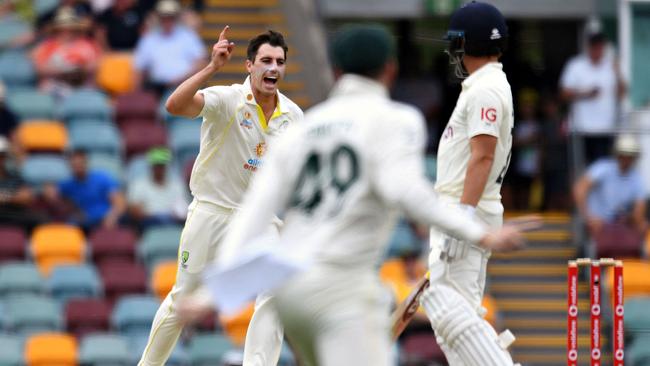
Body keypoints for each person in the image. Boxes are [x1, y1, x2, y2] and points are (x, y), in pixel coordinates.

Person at [182, 24, 536, 366]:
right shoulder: (396, 119)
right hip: (343, 289)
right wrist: (480, 233)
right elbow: (409, 193)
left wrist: (211, 293)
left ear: (336, 71)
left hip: (291, 292)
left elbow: (254, 211)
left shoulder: (303, 127)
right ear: (390, 69)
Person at [137, 27, 303, 366]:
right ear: (249, 66)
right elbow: (174, 105)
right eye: (266, 61)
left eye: (279, 62)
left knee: (275, 289)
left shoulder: (293, 116)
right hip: (212, 212)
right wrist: (211, 67)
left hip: (259, 217)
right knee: (182, 300)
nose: (273, 68)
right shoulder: (226, 98)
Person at [417, 2, 518, 365]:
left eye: (456, 43)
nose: (453, 52)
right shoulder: (484, 86)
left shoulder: (486, 90)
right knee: (456, 321)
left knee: (452, 315)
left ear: (469, 44)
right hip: (465, 209)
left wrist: (461, 218)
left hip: (466, 210)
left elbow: (483, 156)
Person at [559, 21, 626, 166]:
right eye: (594, 46)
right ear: (588, 47)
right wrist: (585, 94)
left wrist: (618, 72)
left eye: (600, 46)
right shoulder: (576, 65)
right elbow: (564, 94)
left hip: (606, 128)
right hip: (582, 128)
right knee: (582, 167)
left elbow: (622, 94)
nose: (597, 50)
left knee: (604, 167)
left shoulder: (611, 66)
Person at [573, 134, 647, 257]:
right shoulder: (602, 168)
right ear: (617, 155)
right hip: (596, 224)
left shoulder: (637, 179)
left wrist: (639, 224)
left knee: (640, 233)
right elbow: (580, 189)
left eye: (630, 156)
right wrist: (588, 216)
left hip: (620, 226)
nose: (627, 159)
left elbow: (639, 211)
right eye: (624, 155)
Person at [133, 0, 206, 96]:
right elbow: (139, 68)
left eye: (170, 17)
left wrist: (183, 79)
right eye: (164, 17)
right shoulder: (149, 38)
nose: (167, 20)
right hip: (156, 89)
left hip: (185, 86)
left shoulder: (189, 36)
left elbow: (201, 63)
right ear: (159, 18)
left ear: (176, 18)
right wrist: (136, 92)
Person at [31, 6, 101, 99]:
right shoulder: (47, 46)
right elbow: (39, 69)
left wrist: (79, 70)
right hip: (54, 86)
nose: (66, 32)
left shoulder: (86, 45)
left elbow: (95, 65)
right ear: (56, 30)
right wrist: (62, 72)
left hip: (81, 85)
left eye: (70, 29)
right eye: (62, 29)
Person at [57, 149, 126, 229]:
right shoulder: (66, 185)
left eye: (80, 164)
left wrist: (112, 216)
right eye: (74, 165)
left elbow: (119, 202)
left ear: (86, 163)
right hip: (82, 223)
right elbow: (61, 202)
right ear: (70, 166)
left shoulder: (102, 178)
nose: (78, 167)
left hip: (104, 220)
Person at [127, 147, 189, 227]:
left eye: (162, 165)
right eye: (156, 165)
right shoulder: (139, 185)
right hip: (149, 223)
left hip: (174, 222)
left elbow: (184, 211)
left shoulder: (177, 186)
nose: (159, 168)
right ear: (151, 166)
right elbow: (135, 212)